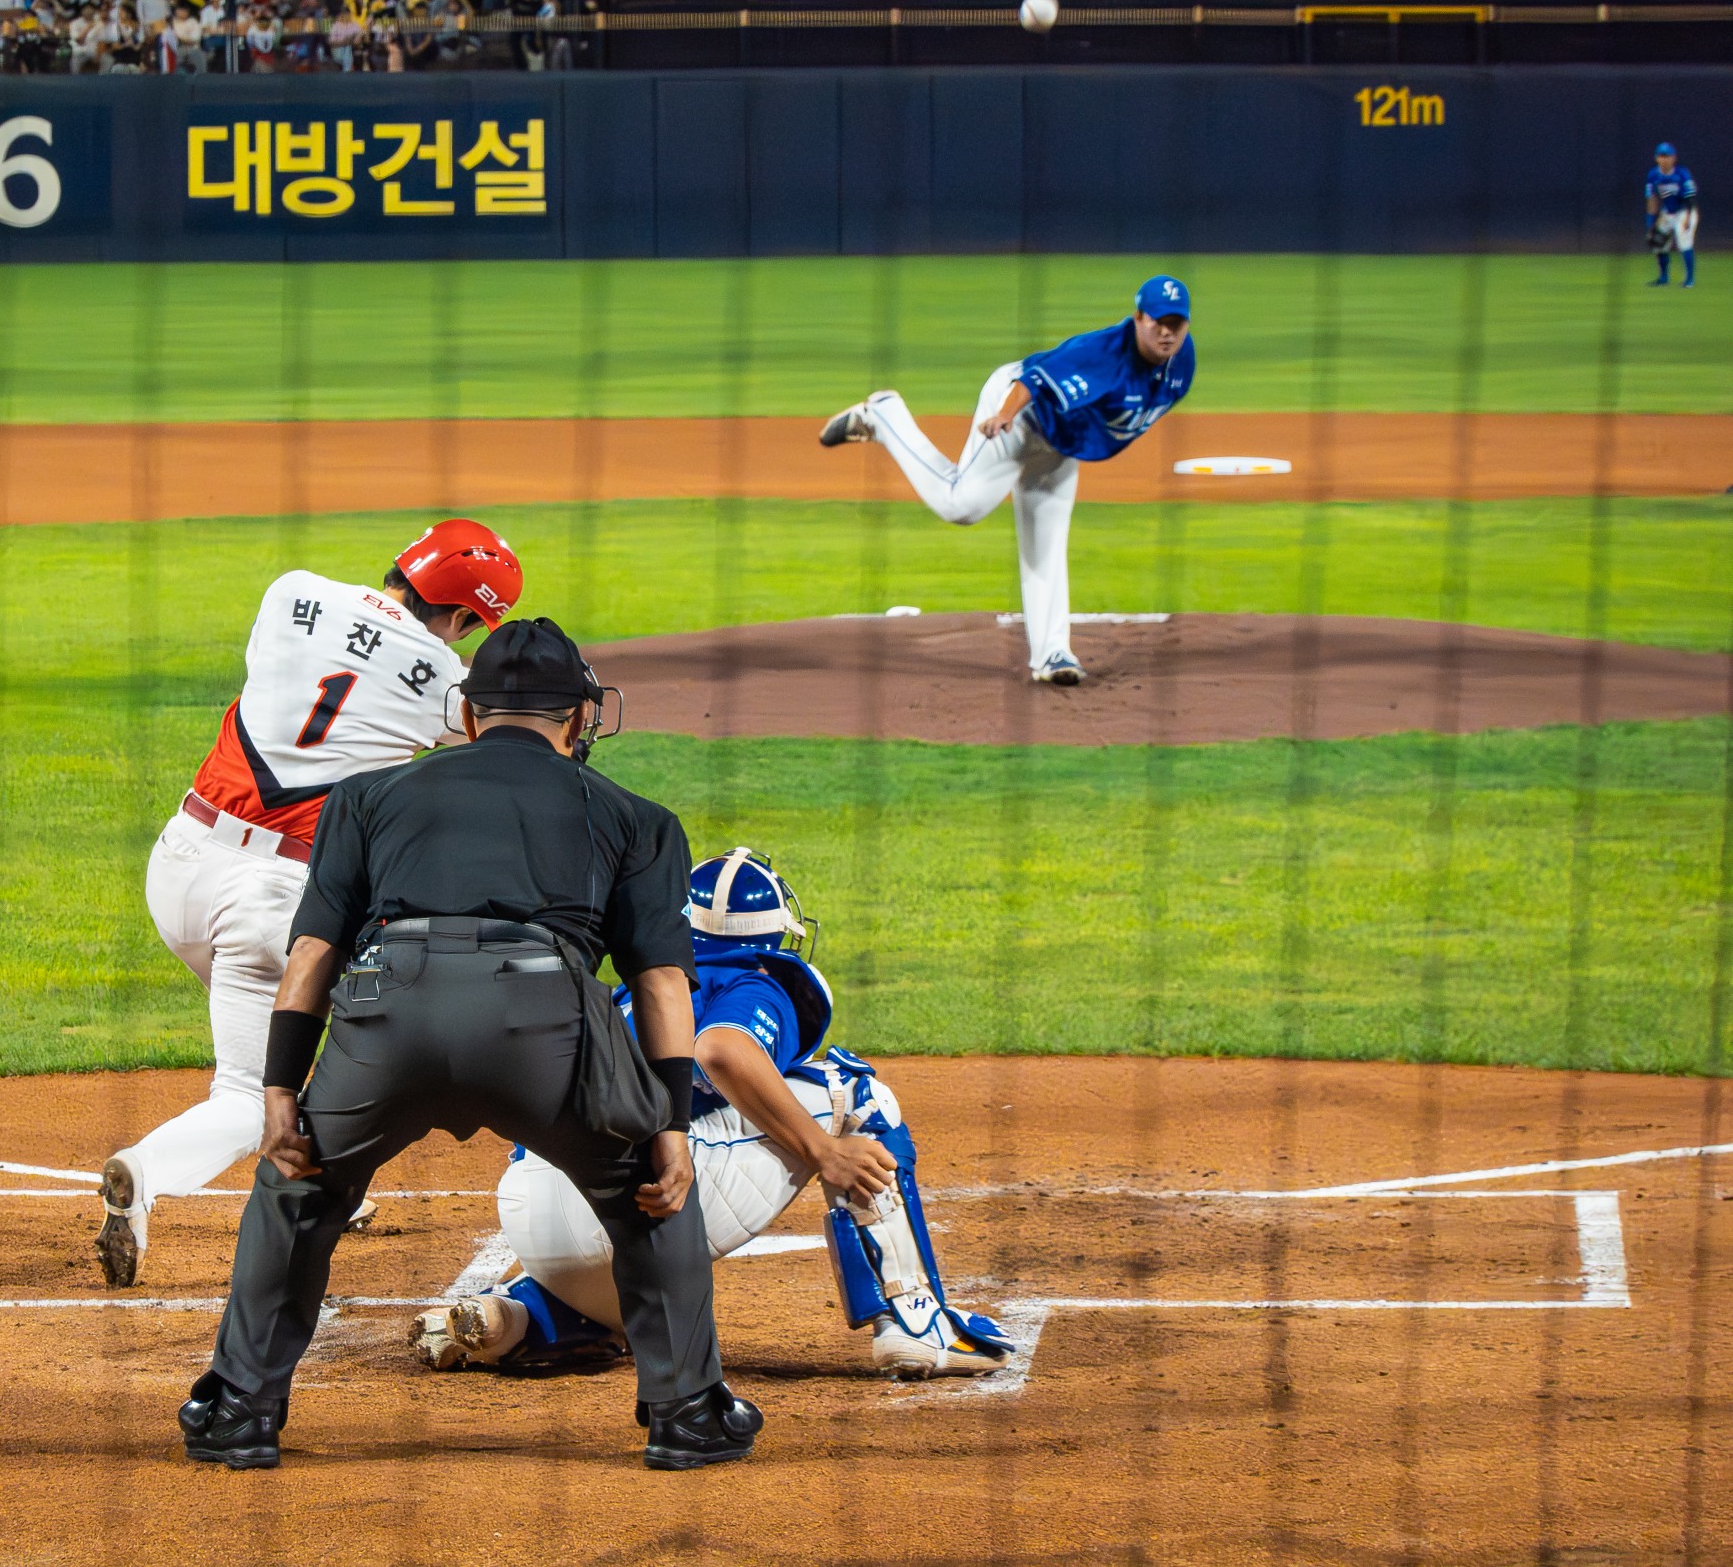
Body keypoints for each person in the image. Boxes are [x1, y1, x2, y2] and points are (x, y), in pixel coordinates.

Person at [181, 617, 763, 1472]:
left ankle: (238, 1410)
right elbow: (663, 986)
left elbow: (310, 957)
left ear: (467, 712)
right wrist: (669, 1128)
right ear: (580, 717)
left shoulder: (365, 797)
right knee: (653, 1191)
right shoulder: (637, 817)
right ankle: (688, 1416)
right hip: (544, 1026)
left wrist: (278, 1094)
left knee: (297, 1183)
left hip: (389, 1019)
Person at [96, 519, 523, 1289]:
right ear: (464, 616)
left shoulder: (291, 592)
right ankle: (148, 1169)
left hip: (179, 864)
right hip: (272, 902)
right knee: (268, 1080)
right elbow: (495, 747)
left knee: (293, 1037)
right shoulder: (447, 682)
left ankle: (330, 1178)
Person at [411, 848, 1015, 1380]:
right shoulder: (750, 980)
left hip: (532, 1209)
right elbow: (721, 1050)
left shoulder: (639, 989)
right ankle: (914, 1321)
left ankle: (514, 1315)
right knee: (854, 1095)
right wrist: (823, 1151)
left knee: (617, 1282)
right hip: (633, 1205)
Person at [819, 275, 1195, 687]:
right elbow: (1032, 381)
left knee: (1047, 542)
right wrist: (1003, 415)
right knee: (960, 506)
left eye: (1175, 324)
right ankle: (884, 416)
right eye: (1157, 321)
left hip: (1060, 444)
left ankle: (1052, 653)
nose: (1166, 332)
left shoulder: (1181, 363)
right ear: (1138, 318)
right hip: (1018, 418)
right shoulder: (1101, 353)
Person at [1647, 141, 1698, 288]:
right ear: (1657, 158)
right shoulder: (1653, 175)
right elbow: (1651, 198)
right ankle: (1663, 277)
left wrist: (1688, 218)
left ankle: (1689, 279)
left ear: (1674, 158)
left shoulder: (1682, 173)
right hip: (1667, 212)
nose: (1664, 159)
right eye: (1661, 156)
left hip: (1684, 211)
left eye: (1667, 156)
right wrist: (1651, 221)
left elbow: (1690, 198)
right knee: (1659, 243)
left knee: (1684, 241)